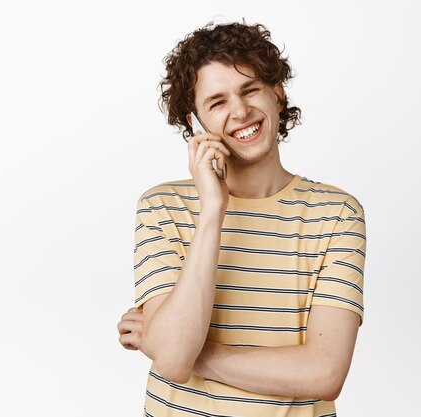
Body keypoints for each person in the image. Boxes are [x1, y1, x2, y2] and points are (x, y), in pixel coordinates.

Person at [117, 21, 366, 417]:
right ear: (193, 123)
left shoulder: (336, 213)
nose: (240, 111)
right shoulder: (162, 206)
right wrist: (213, 208)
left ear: (278, 94)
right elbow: (172, 354)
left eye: (250, 90)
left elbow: (324, 374)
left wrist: (188, 356)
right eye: (217, 102)